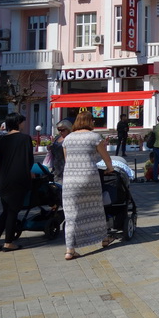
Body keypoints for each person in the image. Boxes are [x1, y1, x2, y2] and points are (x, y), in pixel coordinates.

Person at [62, 111, 114, 260]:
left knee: (71, 214)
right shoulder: (95, 137)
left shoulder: (68, 139)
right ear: (90, 121)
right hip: (89, 177)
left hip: (70, 179)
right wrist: (110, 169)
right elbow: (106, 158)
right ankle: (103, 239)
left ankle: (69, 250)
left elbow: (67, 160)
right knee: (96, 209)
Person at [0, 113, 34, 252]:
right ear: (18, 123)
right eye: (23, 122)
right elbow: (29, 160)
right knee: (13, 211)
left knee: (5, 211)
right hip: (19, 179)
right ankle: (8, 242)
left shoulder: (3, 140)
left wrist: (4, 172)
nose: (24, 124)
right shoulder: (25, 139)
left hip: (3, 180)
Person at [48, 119, 72, 184]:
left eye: (63, 130)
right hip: (56, 167)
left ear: (69, 129)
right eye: (59, 130)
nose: (60, 132)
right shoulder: (57, 138)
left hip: (65, 167)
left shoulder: (71, 138)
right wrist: (50, 147)